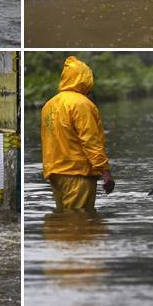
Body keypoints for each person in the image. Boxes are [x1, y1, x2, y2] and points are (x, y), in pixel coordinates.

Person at [41, 56, 114, 211]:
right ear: (85, 79)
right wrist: (105, 172)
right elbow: (91, 141)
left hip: (55, 173)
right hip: (77, 174)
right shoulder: (82, 104)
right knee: (78, 222)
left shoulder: (49, 105)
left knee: (64, 222)